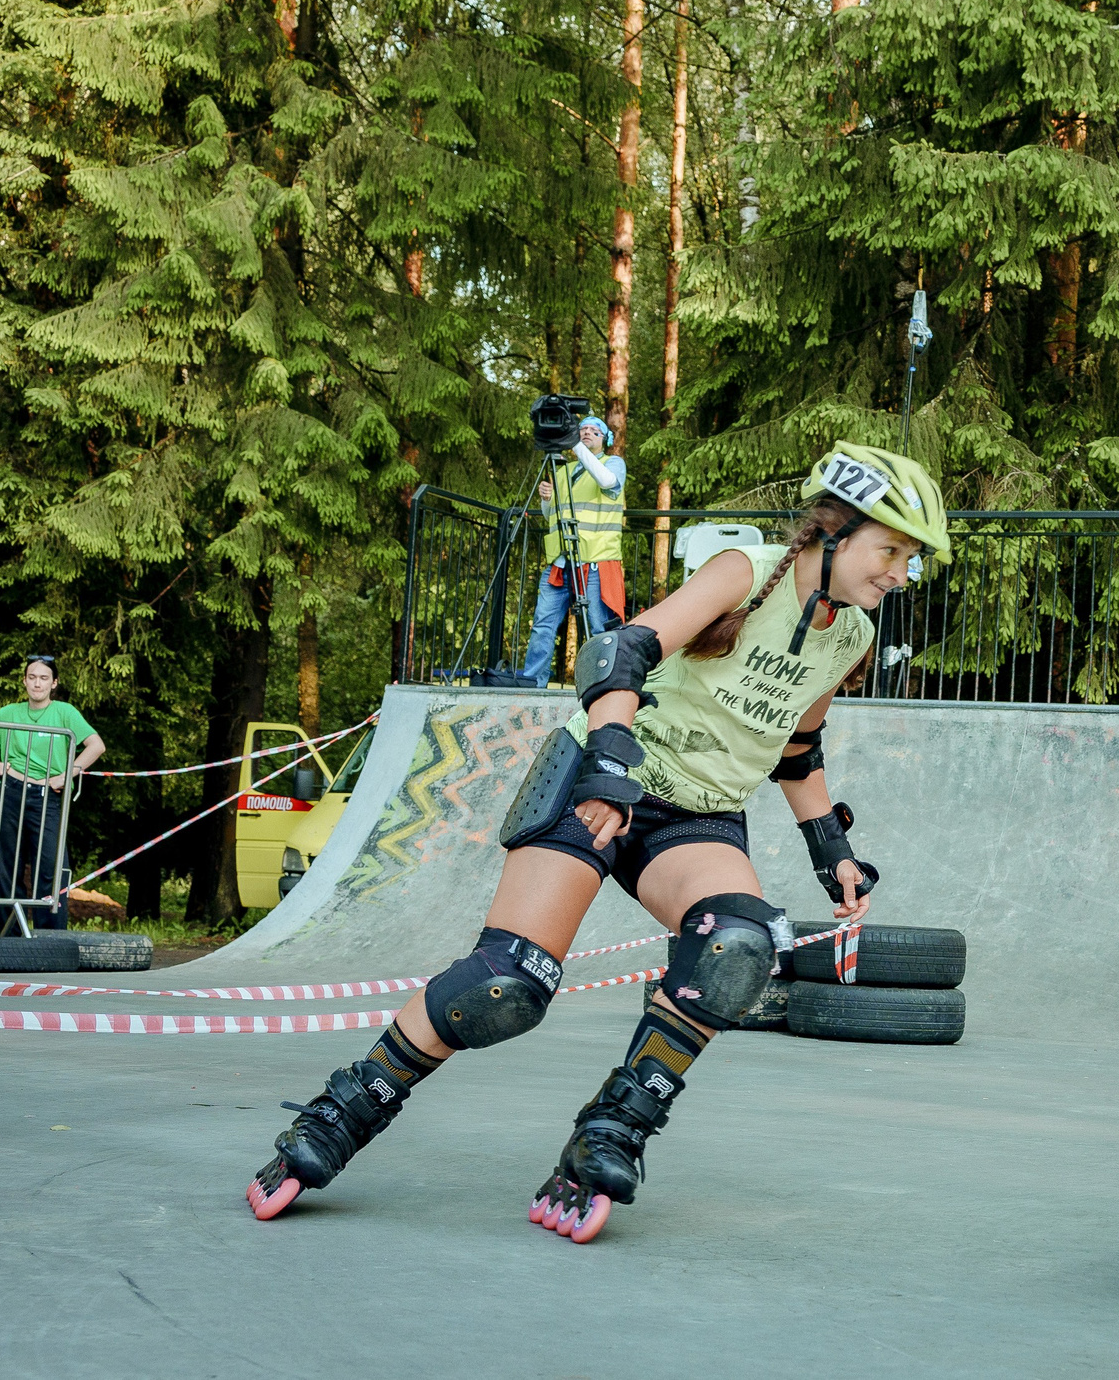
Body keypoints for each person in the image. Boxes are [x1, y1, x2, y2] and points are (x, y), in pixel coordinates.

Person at [247, 441, 951, 1241]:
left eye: (911, 558)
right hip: (601, 775)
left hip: (697, 817)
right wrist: (611, 761)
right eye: (889, 550)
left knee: (736, 945)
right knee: (507, 984)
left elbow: (797, 747)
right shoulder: (745, 573)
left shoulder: (849, 634)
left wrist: (833, 851)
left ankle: (611, 1130)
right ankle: (342, 1111)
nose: (901, 573)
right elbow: (619, 651)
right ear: (832, 531)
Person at [0, 655, 105, 934]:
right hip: (11, 793)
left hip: (48, 796)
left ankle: (49, 938)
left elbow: (96, 745)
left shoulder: (65, 712)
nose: (37, 683)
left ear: (54, 683)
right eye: (32, 677)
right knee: (5, 868)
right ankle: (11, 936)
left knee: (51, 868)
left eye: (43, 678)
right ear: (25, 681)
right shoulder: (10, 712)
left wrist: (69, 773)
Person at [522, 414, 627, 687]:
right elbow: (551, 515)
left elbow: (607, 482)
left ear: (605, 439)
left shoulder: (613, 463)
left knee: (597, 627)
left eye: (594, 430)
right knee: (542, 624)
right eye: (582, 429)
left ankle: (602, 687)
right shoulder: (563, 471)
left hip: (595, 560)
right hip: (561, 561)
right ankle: (532, 684)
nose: (587, 432)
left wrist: (575, 445)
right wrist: (546, 500)